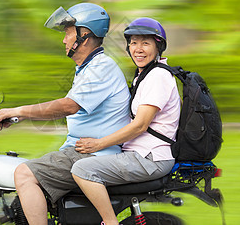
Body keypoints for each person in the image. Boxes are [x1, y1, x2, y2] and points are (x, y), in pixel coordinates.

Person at [0, 3, 131, 225]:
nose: (64, 39)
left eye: (67, 32)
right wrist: (16, 118)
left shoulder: (100, 68)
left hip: (91, 155)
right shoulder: (88, 68)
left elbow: (69, 106)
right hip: (80, 150)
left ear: (84, 35)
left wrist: (19, 111)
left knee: (24, 173)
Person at [71, 17, 181, 225]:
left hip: (150, 158)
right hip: (142, 154)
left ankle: (110, 222)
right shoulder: (145, 75)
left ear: (159, 47)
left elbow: (140, 125)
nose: (138, 49)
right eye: (133, 42)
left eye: (145, 43)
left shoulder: (157, 76)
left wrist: (99, 143)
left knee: (83, 170)